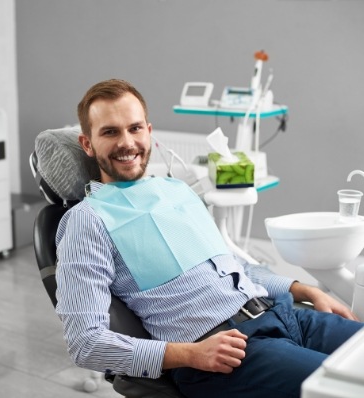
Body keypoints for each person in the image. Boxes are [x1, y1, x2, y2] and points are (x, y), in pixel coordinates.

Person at [55, 79, 362, 398]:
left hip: (283, 314)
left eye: (135, 128)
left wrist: (306, 289)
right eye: (110, 132)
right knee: (349, 389)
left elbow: (233, 264)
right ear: (88, 144)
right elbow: (85, 344)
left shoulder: (175, 191)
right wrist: (190, 354)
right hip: (224, 354)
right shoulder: (86, 221)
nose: (127, 142)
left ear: (148, 131)